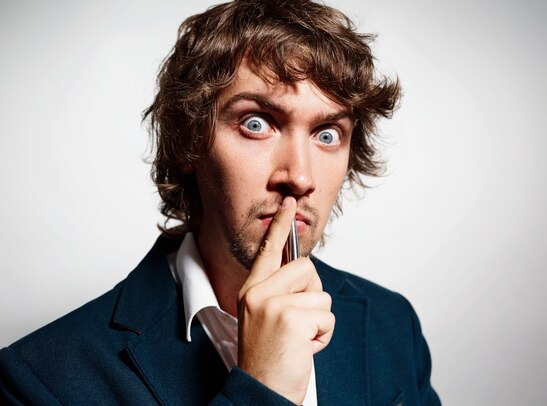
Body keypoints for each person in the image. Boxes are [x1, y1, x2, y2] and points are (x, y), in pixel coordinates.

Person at [0, 0, 440, 404]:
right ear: (191, 141)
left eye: (327, 134)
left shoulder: (392, 324)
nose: (300, 177)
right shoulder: (40, 378)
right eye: (256, 123)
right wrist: (263, 387)